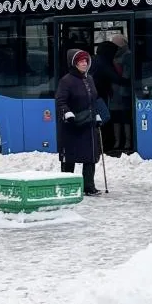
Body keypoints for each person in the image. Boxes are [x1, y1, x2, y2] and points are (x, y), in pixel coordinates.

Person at [55, 48, 103, 196]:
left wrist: (97, 115)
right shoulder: (66, 81)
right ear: (74, 63)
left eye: (86, 61)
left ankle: (89, 186)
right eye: (81, 61)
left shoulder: (90, 79)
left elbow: (93, 100)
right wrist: (67, 113)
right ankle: (67, 186)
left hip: (88, 124)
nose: (84, 63)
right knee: (70, 157)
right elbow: (60, 101)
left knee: (90, 156)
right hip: (72, 126)